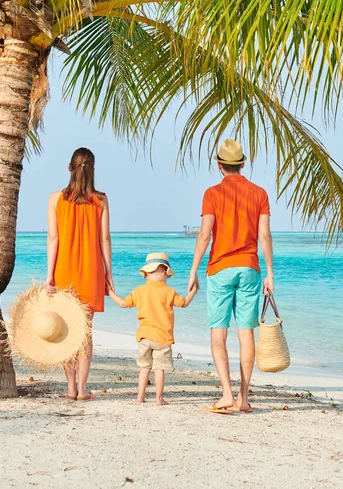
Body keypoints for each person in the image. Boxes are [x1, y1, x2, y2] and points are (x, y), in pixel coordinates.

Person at [188, 139, 273, 414]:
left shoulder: (212, 193)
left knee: (218, 334)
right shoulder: (259, 193)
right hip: (250, 268)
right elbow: (264, 236)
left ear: (219, 165)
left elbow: (204, 235)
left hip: (220, 269)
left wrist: (193, 270)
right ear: (243, 164)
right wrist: (270, 274)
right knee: (246, 333)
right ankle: (244, 398)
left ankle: (226, 394)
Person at [45, 147, 114, 401]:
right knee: (84, 332)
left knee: (66, 331)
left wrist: (49, 275)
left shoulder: (55, 199)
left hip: (64, 270)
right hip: (92, 271)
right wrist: (109, 274)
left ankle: (70, 388)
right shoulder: (102, 200)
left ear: (69, 167)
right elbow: (104, 239)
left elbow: (54, 238)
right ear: (93, 170)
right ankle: (83, 389)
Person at [108, 252, 198, 405]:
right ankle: (159, 398)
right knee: (159, 369)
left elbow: (123, 304)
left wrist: (110, 293)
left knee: (144, 368)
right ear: (164, 273)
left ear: (147, 274)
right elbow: (184, 303)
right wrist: (194, 290)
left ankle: (140, 397)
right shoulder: (169, 292)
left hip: (144, 336)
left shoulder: (139, 291)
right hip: (162, 338)